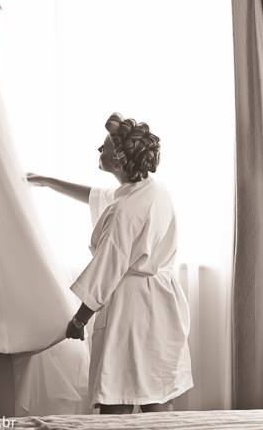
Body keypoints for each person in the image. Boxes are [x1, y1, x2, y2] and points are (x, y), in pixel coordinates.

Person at [27, 113, 193, 414]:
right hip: (162, 305)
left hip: (132, 313)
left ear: (118, 162)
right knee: (156, 393)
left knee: (116, 397)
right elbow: (98, 196)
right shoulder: (153, 189)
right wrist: (46, 181)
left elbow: (106, 271)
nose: (98, 150)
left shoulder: (123, 212)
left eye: (103, 147)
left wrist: (79, 321)